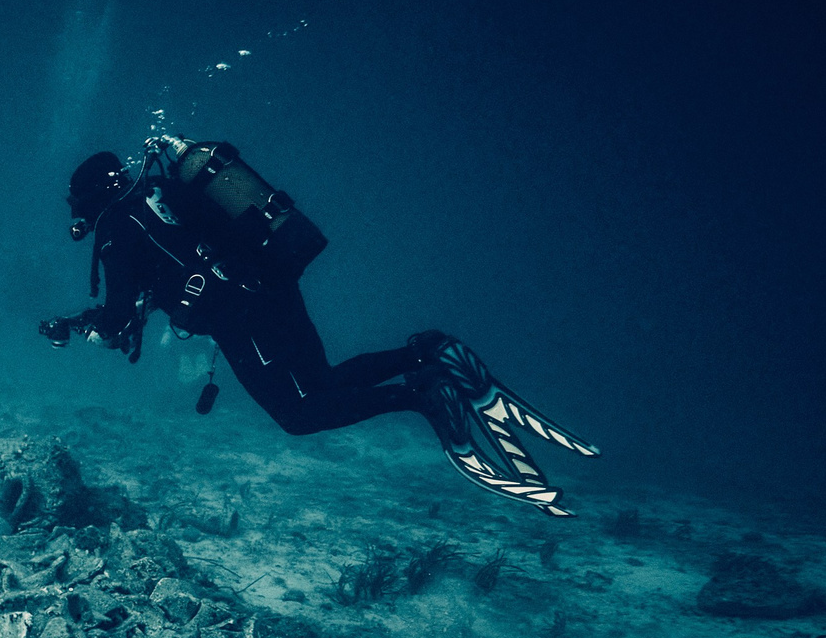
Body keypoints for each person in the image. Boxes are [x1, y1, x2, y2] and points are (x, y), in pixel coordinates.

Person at [43, 143, 597, 515]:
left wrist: (79, 328)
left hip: (238, 314)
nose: (78, 216)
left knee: (297, 414)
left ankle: (422, 394)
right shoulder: (162, 193)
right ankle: (424, 352)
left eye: (77, 205)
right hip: (272, 284)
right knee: (323, 379)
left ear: (91, 197)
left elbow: (119, 317)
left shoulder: (117, 225)